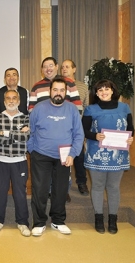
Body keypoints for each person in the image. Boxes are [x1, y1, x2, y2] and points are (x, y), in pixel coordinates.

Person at [27, 77, 84, 237]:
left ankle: (58, 221)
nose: (58, 93)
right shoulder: (39, 108)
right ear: (49, 91)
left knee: (60, 190)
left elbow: (79, 134)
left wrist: (73, 154)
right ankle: (38, 222)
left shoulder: (72, 109)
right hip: (41, 156)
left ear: (65, 92)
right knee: (40, 190)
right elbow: (30, 131)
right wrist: (32, 150)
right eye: (55, 90)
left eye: (61, 90)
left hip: (64, 158)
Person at [82, 79, 134, 234]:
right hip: (96, 153)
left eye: (106, 89)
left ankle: (113, 219)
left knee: (113, 187)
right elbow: (84, 130)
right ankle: (98, 217)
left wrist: (131, 138)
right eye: (100, 90)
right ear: (96, 93)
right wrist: (95, 135)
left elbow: (130, 128)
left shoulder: (125, 107)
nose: (103, 92)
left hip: (118, 154)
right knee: (97, 186)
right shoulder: (91, 109)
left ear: (113, 90)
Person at [29, 57, 83, 203]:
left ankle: (62, 193)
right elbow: (31, 114)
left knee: (63, 180)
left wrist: (69, 130)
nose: (48, 69)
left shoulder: (69, 83)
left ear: (56, 67)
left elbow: (77, 109)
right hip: (43, 143)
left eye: (51, 65)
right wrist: (32, 149)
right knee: (42, 183)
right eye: (45, 66)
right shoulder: (36, 87)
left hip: (65, 139)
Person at [0, 89, 31, 237]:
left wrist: (5, 133)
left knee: (20, 193)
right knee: (0, 192)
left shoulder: (26, 118)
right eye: (8, 98)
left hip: (20, 161)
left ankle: (23, 222)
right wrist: (16, 134)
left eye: (14, 98)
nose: (11, 101)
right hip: (1, 160)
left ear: (19, 101)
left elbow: (26, 137)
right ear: (4, 101)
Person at [61, 59, 90, 196]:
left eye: (67, 67)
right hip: (62, 127)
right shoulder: (59, 85)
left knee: (79, 155)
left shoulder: (83, 86)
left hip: (77, 126)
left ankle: (82, 182)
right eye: (62, 67)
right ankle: (64, 186)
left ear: (74, 69)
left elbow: (85, 107)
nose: (64, 69)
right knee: (63, 156)